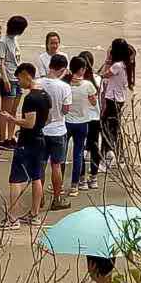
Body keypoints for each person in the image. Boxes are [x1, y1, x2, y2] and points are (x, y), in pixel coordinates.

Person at [0, 62, 51, 229]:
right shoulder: (45, 95)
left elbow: (29, 123)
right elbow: (47, 118)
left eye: (19, 79)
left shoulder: (31, 98)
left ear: (26, 75)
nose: (19, 83)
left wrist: (11, 119)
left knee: (15, 179)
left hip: (27, 141)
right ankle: (34, 215)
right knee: (36, 177)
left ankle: (12, 218)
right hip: (40, 139)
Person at [37, 53, 74, 211]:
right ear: (63, 69)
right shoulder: (65, 87)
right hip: (58, 129)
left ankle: (39, 198)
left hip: (41, 129)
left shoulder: (38, 83)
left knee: (40, 165)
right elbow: (66, 110)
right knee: (56, 165)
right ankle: (57, 198)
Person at [64, 55, 99, 198]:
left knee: (62, 154)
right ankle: (74, 186)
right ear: (82, 69)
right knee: (78, 154)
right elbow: (93, 102)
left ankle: (58, 185)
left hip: (67, 122)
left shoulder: (65, 84)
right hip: (82, 123)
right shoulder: (88, 85)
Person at [99, 40, 132, 168]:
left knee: (107, 127)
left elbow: (104, 75)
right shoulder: (125, 64)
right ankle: (119, 155)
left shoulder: (117, 66)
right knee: (115, 127)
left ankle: (108, 154)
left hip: (112, 99)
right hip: (119, 99)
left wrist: (107, 59)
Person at [0, 15, 27, 149]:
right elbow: (1, 62)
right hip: (9, 78)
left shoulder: (14, 39)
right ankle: (2, 139)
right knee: (6, 111)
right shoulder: (3, 42)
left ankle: (10, 137)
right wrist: (5, 79)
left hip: (18, 78)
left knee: (13, 111)